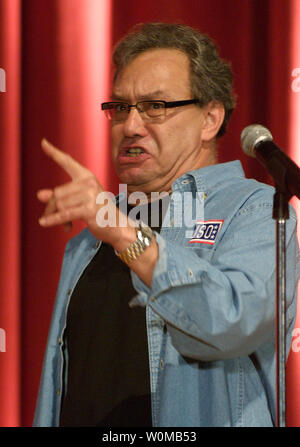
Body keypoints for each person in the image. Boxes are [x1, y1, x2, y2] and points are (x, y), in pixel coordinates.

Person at [34, 22, 299, 427]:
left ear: (210, 118)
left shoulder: (256, 209)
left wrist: (121, 232)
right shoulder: (90, 237)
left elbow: (232, 320)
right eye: (120, 107)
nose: (131, 126)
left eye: (155, 106)